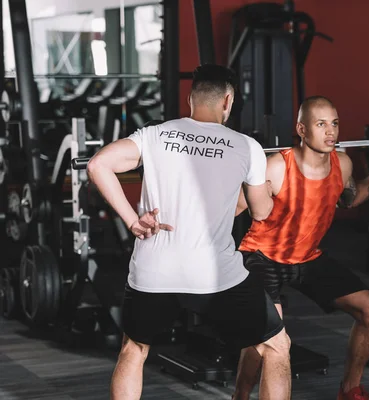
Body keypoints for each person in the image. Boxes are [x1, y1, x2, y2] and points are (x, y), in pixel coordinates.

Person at [86, 64, 291, 400]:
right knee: (277, 346)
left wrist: (132, 220)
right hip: (214, 276)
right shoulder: (246, 146)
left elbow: (97, 165)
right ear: (228, 101)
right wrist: (263, 184)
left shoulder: (154, 134)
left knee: (133, 351)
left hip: (154, 272)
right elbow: (261, 211)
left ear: (190, 98)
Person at [233, 95, 369, 400]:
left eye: (334, 123)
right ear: (302, 129)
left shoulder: (342, 163)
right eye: (321, 124)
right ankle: (240, 396)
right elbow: (234, 210)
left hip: (307, 257)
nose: (330, 131)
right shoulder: (276, 166)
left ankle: (350, 390)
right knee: (269, 336)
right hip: (262, 256)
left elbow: (350, 199)